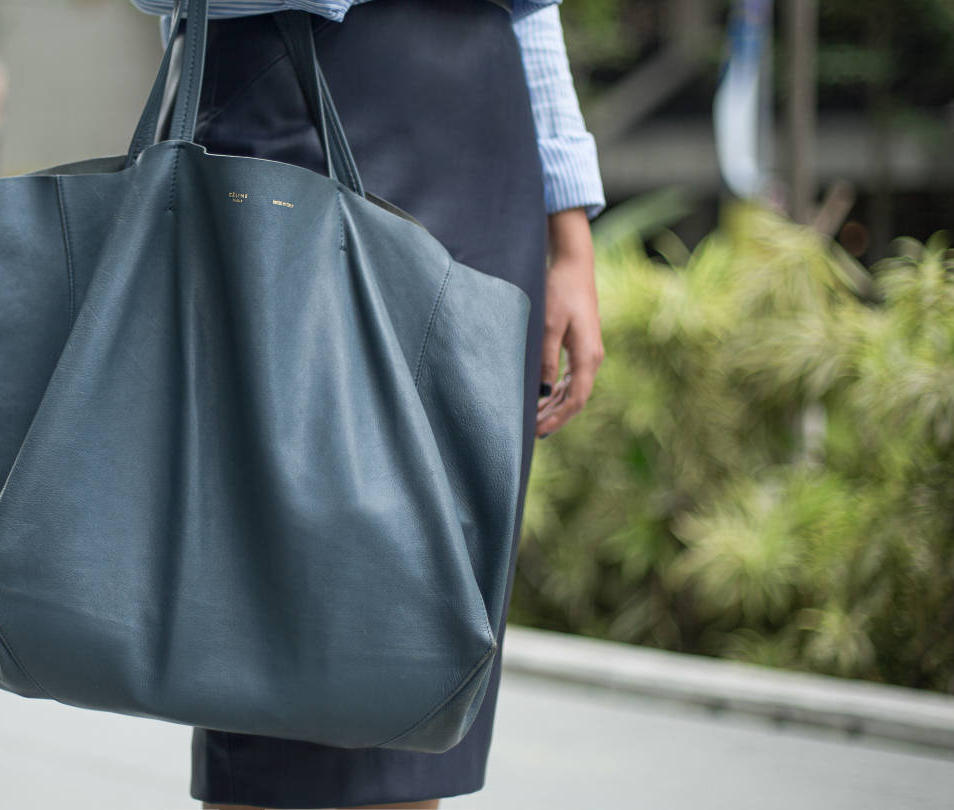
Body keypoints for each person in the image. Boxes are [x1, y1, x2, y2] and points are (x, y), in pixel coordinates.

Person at [128, 0, 607, 807]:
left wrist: (569, 224)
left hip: (480, 111)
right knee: (280, 621)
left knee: (426, 635)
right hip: (288, 76)